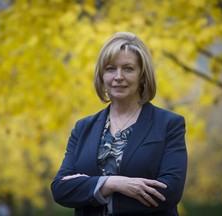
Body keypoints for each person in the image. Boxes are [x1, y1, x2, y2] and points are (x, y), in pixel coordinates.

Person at [51, 32, 187, 216]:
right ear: (102, 75)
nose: (118, 76)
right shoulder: (83, 128)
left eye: (128, 68)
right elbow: (60, 189)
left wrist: (89, 189)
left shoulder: (169, 124)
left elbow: (169, 192)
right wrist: (114, 183)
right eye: (110, 68)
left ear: (142, 75)